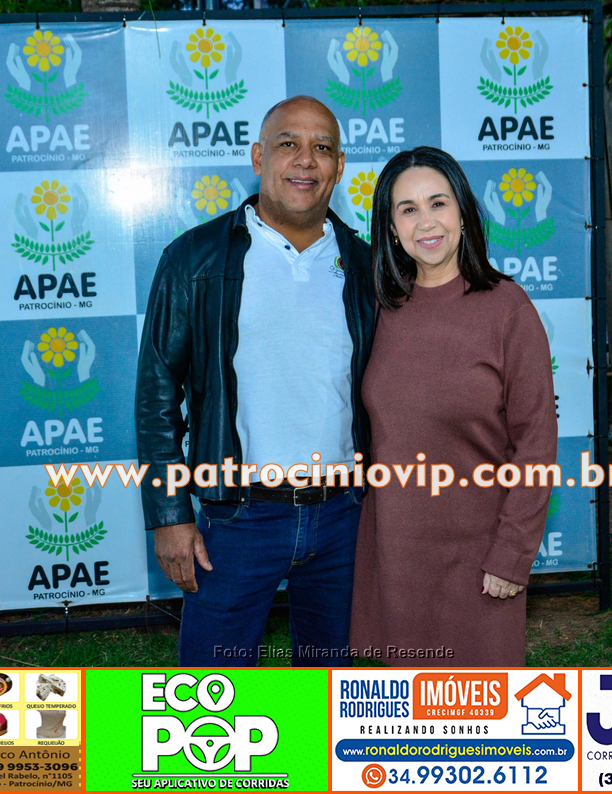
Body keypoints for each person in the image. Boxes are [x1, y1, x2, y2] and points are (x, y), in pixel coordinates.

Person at [135, 96, 374, 666]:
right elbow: (157, 398)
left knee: (328, 692)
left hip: (344, 516)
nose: (305, 160)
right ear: (258, 157)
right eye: (288, 143)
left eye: (322, 148)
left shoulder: (369, 266)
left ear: (340, 166)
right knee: (209, 693)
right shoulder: (194, 258)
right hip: (237, 518)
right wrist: (170, 516)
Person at [349, 146, 557, 667]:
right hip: (392, 554)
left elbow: (535, 445)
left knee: (477, 712)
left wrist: (512, 555)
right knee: (401, 710)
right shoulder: (378, 310)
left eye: (438, 203)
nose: (426, 222)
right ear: (391, 228)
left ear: (463, 212)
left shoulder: (508, 310)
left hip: (479, 559)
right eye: (408, 209)